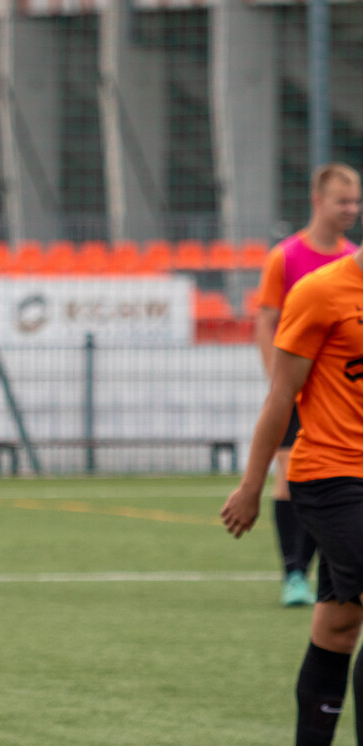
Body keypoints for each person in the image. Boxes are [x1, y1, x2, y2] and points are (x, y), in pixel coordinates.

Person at [221, 242, 363, 744]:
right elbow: (281, 394)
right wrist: (252, 486)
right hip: (330, 476)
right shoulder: (321, 293)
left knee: (340, 625)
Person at [253, 163, 361, 606]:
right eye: (342, 201)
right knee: (288, 478)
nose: (350, 209)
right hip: (297, 386)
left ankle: (327, 572)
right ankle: (293, 573)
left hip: (337, 393)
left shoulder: (352, 254)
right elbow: (267, 319)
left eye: (356, 202)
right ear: (318, 201)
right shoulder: (287, 256)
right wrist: (276, 380)